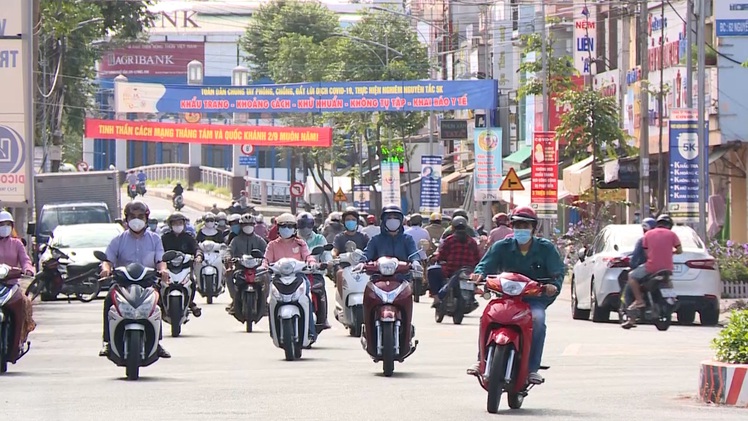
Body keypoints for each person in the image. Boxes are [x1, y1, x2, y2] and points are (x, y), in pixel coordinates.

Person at [466, 206, 565, 384]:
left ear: (534, 228)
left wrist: (552, 286)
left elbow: (558, 273)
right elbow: (485, 264)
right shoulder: (501, 246)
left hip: (533, 300)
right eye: (518, 225)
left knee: (538, 320)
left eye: (526, 225)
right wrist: (478, 274)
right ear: (512, 227)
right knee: (486, 317)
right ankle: (481, 361)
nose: (522, 229)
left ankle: (532, 368)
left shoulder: (546, 248)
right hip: (505, 298)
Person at [98, 201, 171, 358]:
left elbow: (160, 259)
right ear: (127, 219)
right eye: (133, 216)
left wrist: (163, 270)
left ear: (146, 218)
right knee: (109, 300)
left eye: (140, 216)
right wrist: (106, 269)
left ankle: (156, 343)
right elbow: (108, 259)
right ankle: (108, 342)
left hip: (147, 282)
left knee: (158, 302)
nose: (136, 220)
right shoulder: (118, 240)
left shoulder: (155, 239)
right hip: (123, 282)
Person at [264, 213, 317, 338]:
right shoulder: (272, 245)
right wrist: (264, 266)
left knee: (306, 299)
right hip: (278, 279)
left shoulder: (300, 243)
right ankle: (274, 330)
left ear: (294, 228)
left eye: (289, 226)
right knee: (271, 301)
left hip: (298, 278)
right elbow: (266, 260)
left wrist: (312, 262)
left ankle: (310, 330)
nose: (286, 229)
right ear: (278, 228)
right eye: (283, 226)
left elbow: (307, 256)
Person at [625, 214, 682, 318]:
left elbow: (647, 253)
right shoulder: (672, 234)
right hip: (668, 268)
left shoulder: (648, 235)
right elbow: (680, 250)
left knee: (631, 276)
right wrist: (671, 252)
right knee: (668, 281)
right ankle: (672, 298)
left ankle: (639, 300)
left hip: (651, 267)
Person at [0, 210, 36, 363]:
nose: (5, 227)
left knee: (24, 303)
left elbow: (25, 260)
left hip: (11, 286)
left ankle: (19, 338)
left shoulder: (17, 243)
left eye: (8, 224)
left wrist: (28, 269)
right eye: (2, 224)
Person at [427, 216, 482, 307]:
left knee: (432, 270)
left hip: (451, 270)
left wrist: (436, 258)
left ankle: (436, 298)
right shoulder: (472, 241)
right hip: (468, 271)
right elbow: (477, 258)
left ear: (452, 227)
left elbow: (442, 255)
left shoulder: (449, 240)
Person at [160, 212, 202, 317]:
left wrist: (198, 256)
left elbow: (196, 248)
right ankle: (160, 303)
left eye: (180, 223)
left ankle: (190, 303)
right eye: (175, 223)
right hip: (168, 268)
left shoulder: (188, 238)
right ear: (170, 225)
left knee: (192, 282)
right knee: (158, 284)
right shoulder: (165, 238)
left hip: (184, 268)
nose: (177, 225)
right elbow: (158, 251)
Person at [227, 214, 268, 314]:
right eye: (245, 224)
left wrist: (266, 259)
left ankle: (264, 302)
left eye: (250, 224)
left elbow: (267, 251)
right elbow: (229, 250)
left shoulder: (259, 240)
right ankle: (234, 300)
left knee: (267, 277)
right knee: (228, 274)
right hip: (240, 267)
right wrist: (228, 258)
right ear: (241, 226)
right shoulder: (236, 240)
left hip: (257, 268)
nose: (248, 227)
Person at [363, 205, 421, 270]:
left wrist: (415, 261)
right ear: (384, 220)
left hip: (403, 275)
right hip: (378, 276)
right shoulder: (376, 240)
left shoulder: (407, 239)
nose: (392, 220)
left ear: (401, 220)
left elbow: (413, 252)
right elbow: (367, 253)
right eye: (389, 218)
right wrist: (362, 262)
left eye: (396, 218)